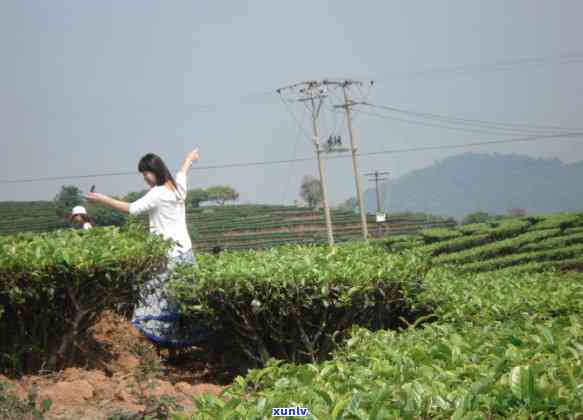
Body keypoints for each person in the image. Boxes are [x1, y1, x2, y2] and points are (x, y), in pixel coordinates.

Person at [86, 148, 205, 351]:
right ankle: (185, 343)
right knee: (184, 299)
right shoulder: (178, 189)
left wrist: (102, 199)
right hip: (186, 253)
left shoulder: (157, 194)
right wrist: (189, 159)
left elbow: (131, 209)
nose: (145, 179)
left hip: (167, 256)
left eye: (145, 174)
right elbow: (182, 173)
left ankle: (152, 343)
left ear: (154, 171)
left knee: (153, 298)